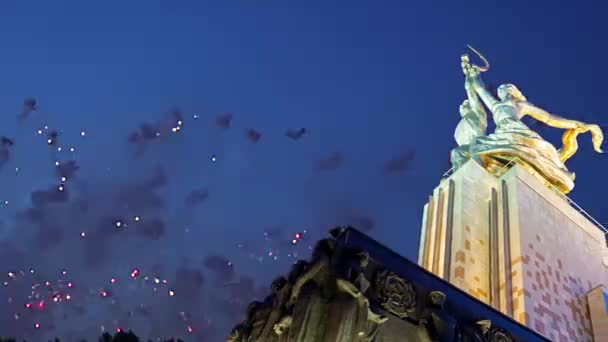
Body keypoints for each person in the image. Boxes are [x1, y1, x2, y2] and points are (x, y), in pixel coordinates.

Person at [460, 55, 603, 193]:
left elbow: (549, 118)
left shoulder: (520, 104)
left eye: (506, 88)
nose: (502, 89)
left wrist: (576, 124)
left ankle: (481, 176)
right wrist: (473, 76)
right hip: (501, 132)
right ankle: (478, 176)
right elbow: (480, 89)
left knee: (488, 147)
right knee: (475, 148)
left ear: (513, 92)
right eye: (501, 89)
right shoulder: (495, 105)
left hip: (516, 132)